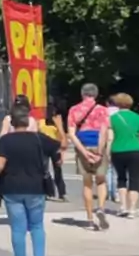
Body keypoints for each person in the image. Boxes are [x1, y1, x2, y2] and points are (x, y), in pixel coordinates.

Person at [0, 106, 59, 256]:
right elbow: (59, 148)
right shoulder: (39, 138)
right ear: (28, 121)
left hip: (12, 188)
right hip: (36, 187)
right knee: (37, 226)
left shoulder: (6, 141)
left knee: (18, 229)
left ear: (12, 123)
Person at [68, 83, 112, 231]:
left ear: (82, 94)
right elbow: (104, 132)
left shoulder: (74, 110)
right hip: (97, 144)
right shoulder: (103, 110)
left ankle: (89, 219)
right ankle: (100, 207)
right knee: (101, 181)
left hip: (83, 145)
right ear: (96, 94)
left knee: (87, 183)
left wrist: (83, 151)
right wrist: (99, 152)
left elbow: (72, 134)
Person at [108, 93, 139, 218]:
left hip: (117, 151)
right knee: (134, 179)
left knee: (121, 179)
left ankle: (123, 207)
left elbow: (110, 138)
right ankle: (132, 209)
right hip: (134, 151)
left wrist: (107, 153)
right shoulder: (137, 117)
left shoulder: (112, 118)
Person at [39, 103, 69, 202]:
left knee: (58, 170)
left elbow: (63, 139)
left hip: (56, 147)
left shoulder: (57, 123)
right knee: (44, 170)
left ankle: (62, 193)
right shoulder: (41, 122)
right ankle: (48, 192)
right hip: (43, 146)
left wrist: (59, 126)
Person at [104, 97, 121, 207]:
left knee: (107, 169)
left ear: (107, 103)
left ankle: (108, 192)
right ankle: (117, 194)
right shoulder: (121, 113)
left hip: (106, 141)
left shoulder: (104, 113)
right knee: (118, 170)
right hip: (119, 141)